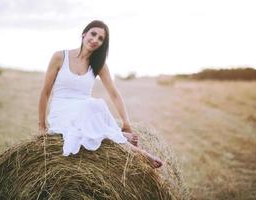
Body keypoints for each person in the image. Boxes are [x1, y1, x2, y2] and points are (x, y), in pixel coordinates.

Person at [38, 20, 163, 168]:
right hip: (62, 110)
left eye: (100, 39)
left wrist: (126, 123)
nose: (95, 40)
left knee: (94, 104)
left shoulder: (99, 64)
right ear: (84, 33)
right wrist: (42, 125)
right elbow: (45, 93)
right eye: (93, 34)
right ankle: (135, 150)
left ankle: (123, 140)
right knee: (90, 106)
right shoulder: (60, 57)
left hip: (84, 110)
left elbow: (114, 94)